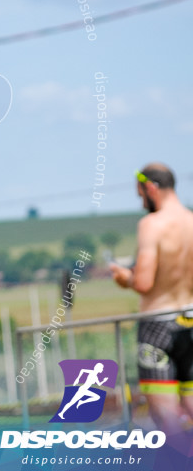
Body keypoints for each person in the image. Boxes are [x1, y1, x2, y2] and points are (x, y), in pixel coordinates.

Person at [110, 163, 193, 437]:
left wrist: (125, 278)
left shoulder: (151, 225)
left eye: (140, 195)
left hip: (158, 325)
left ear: (151, 188)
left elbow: (144, 283)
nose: (141, 202)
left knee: (166, 418)